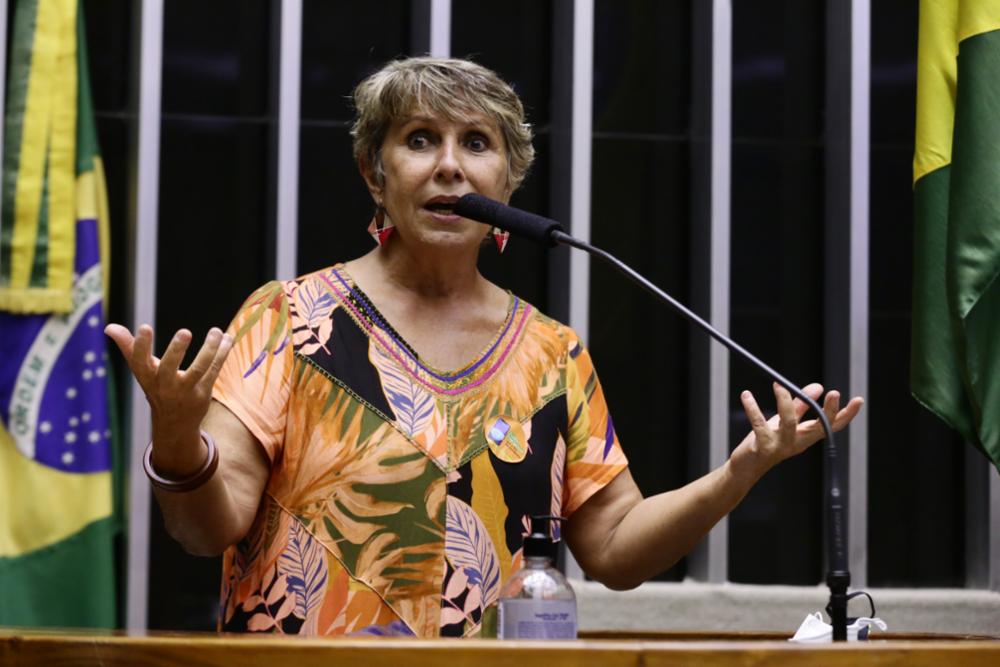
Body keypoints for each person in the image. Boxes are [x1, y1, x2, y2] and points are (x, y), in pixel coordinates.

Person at [105, 57, 863, 638]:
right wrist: (176, 440)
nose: (449, 165)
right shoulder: (289, 318)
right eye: (419, 141)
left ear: (507, 179)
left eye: (477, 143)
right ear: (376, 173)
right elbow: (206, 526)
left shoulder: (551, 352)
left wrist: (737, 474)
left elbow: (614, 548)